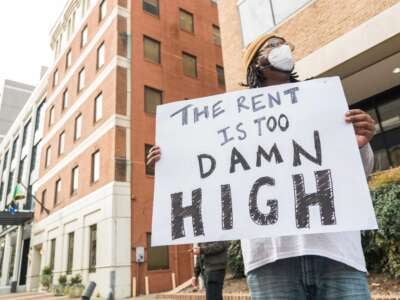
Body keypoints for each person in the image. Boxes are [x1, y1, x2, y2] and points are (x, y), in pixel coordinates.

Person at [147, 33, 376, 299]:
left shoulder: (321, 103)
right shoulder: (231, 121)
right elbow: (206, 178)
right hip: (270, 261)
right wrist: (170, 165)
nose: (282, 49)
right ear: (255, 64)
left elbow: (361, 173)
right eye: (271, 46)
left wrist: (360, 144)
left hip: (336, 253)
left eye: (284, 45)